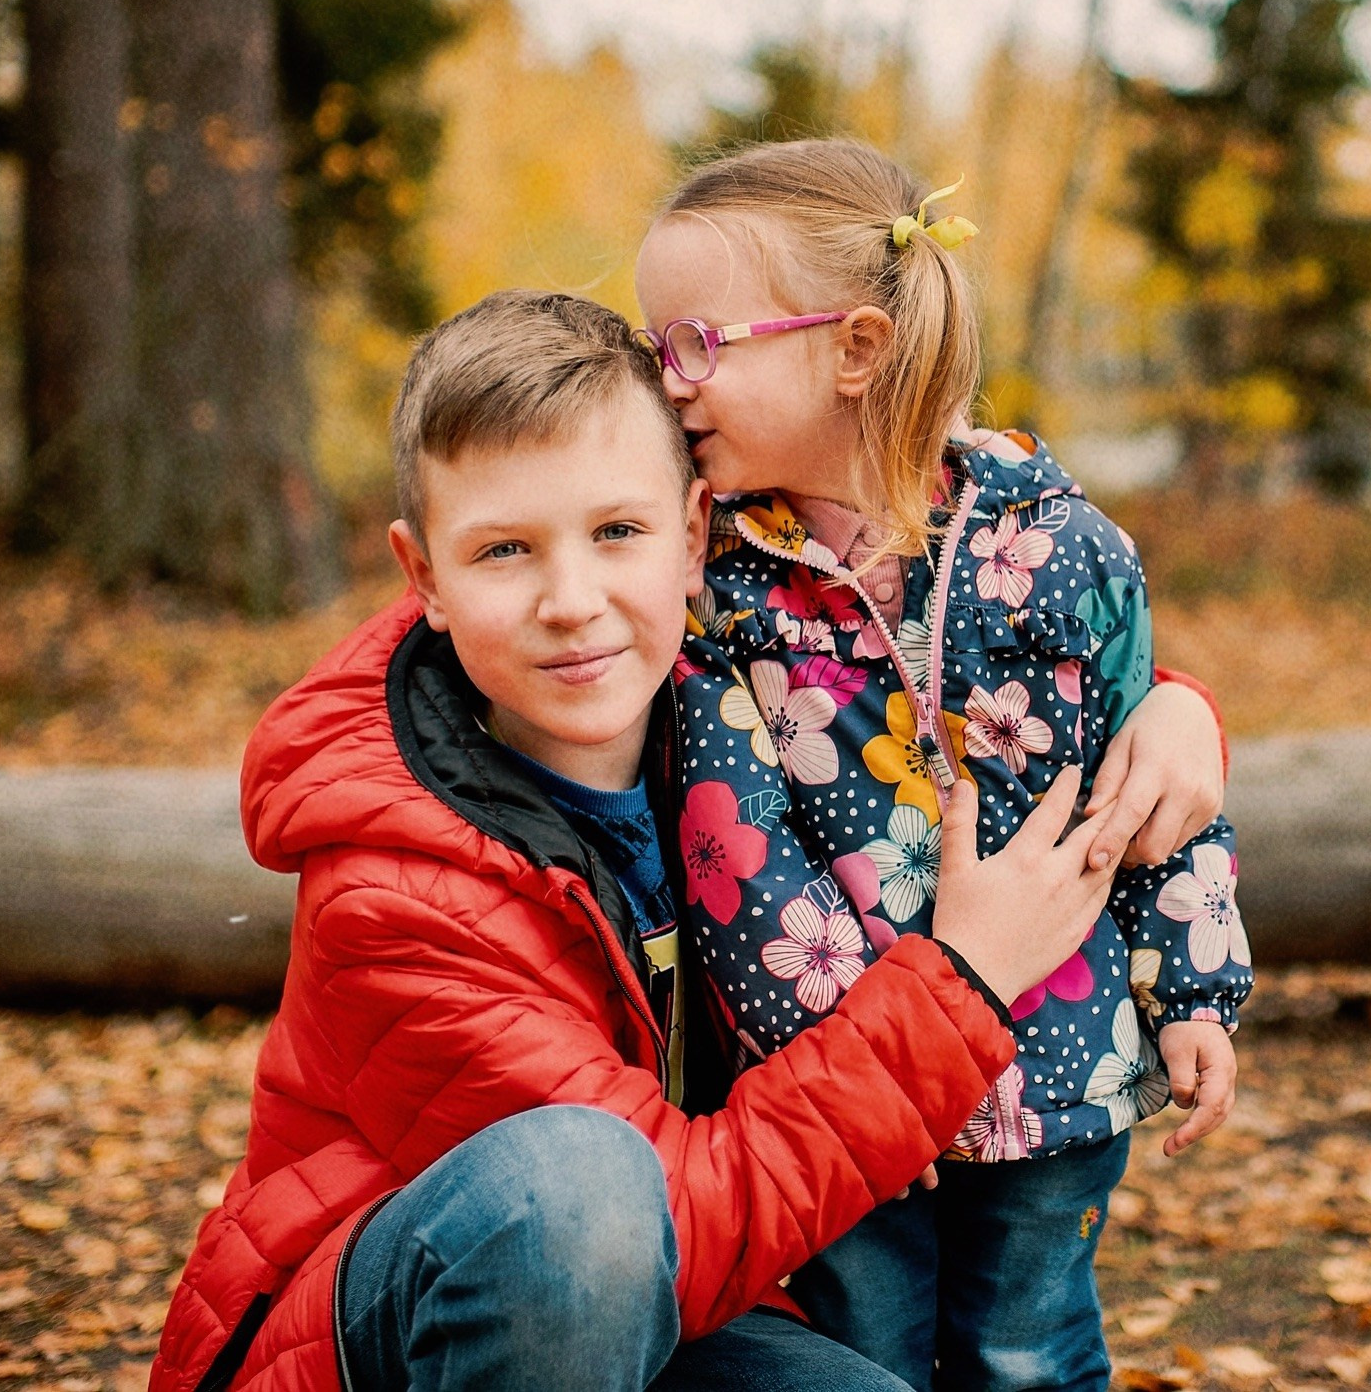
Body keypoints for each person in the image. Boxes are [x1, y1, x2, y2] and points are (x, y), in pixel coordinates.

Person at [150, 292, 1229, 1392]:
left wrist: (1173, 707)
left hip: (674, 1309)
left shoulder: (735, 716)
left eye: (616, 531)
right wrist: (963, 982)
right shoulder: (394, 890)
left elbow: (939, 671)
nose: (572, 601)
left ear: (693, 534)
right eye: (503, 550)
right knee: (578, 1190)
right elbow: (653, 1226)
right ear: (422, 576)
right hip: (415, 1330)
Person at [634, 141, 1251, 1392]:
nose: (668, 385)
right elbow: (734, 858)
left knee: (1028, 1350)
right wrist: (872, 1083)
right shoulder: (718, 590)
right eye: (657, 352)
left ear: (854, 349)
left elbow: (1149, 787)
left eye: (697, 344)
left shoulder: (1067, 548)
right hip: (840, 1089)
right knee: (866, 1357)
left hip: (1058, 1063)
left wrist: (1192, 989)